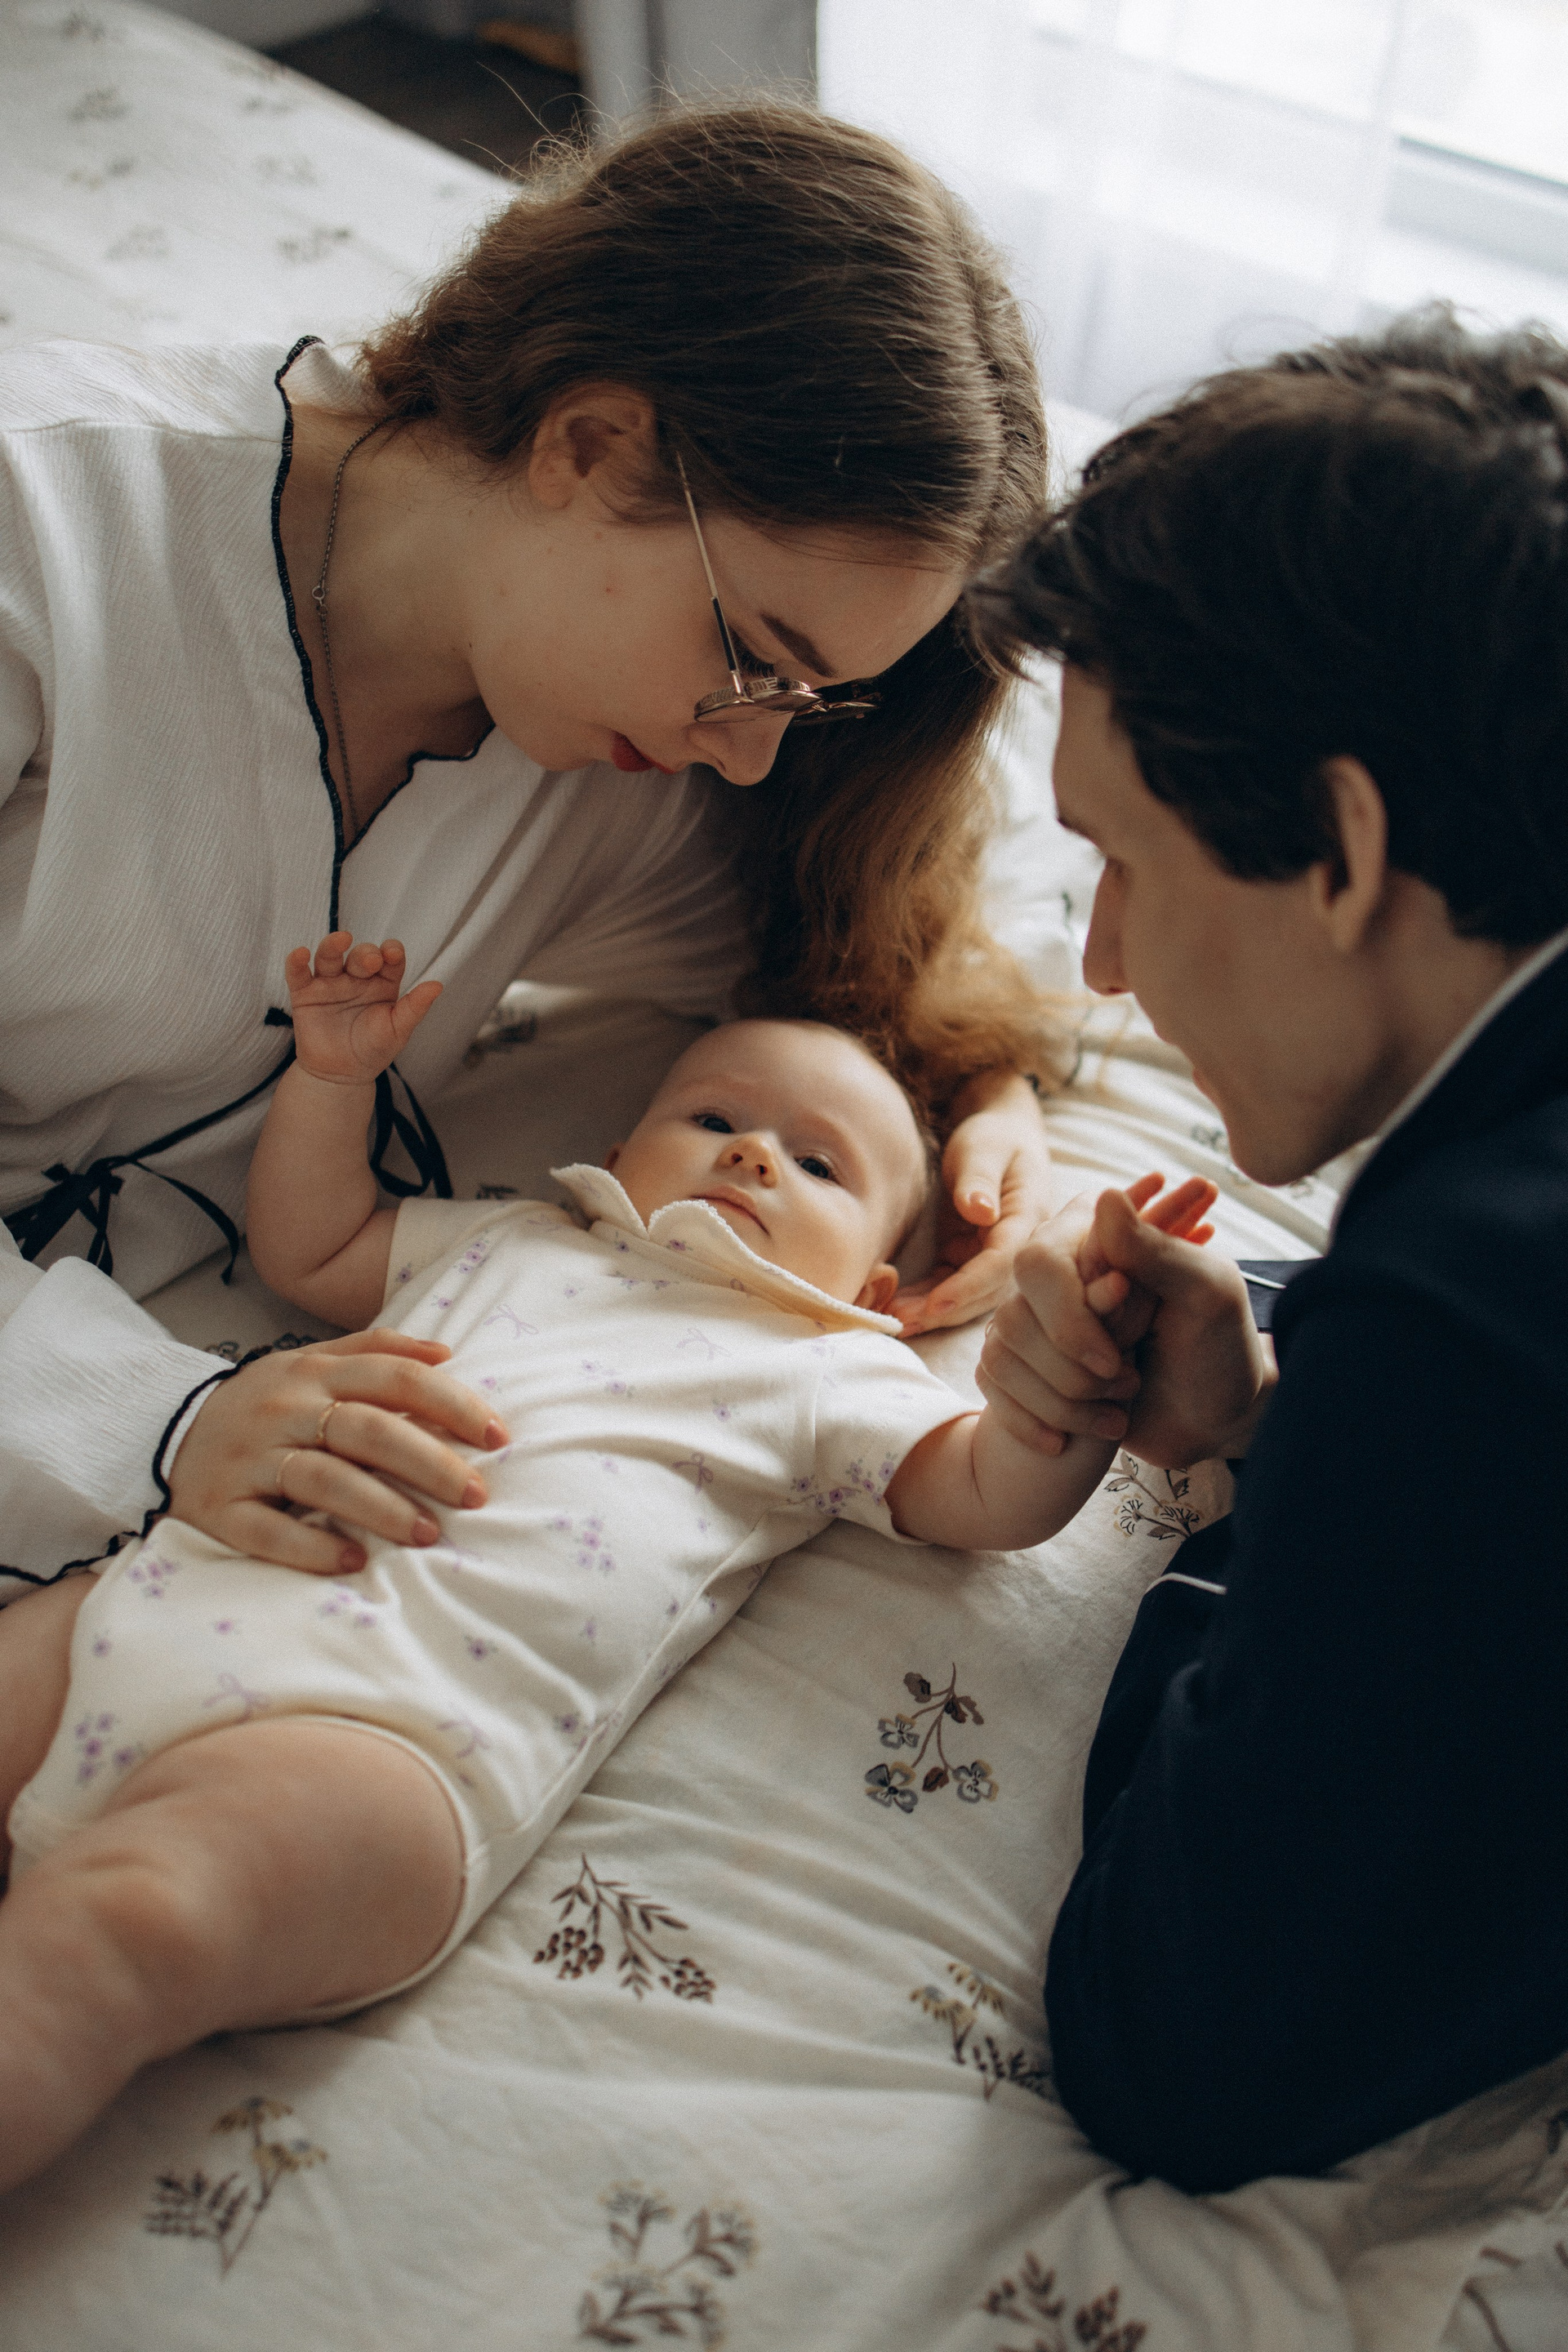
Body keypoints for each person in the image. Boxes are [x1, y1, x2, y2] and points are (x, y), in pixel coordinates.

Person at [0, 100, 1061, 1597]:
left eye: (808, 702)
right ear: (589, 441)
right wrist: (152, 1420)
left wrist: (984, 1087)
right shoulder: (42, 529)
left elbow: (856, 927)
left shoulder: (610, 766)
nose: (751, 750)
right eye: (755, 660)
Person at [0, 930, 1217, 2196]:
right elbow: (310, 1246)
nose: (754, 1155)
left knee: (123, 1928)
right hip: (175, 1589)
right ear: (625, 1148)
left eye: (818, 1165)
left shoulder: (827, 1363)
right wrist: (332, 1080)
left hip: (386, 1740)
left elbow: (982, 1493)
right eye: (715, 1118)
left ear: (878, 1284)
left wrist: (1065, 1391)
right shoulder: (513, 1239)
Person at [972, 306, 1568, 2193]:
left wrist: (1278, 1487)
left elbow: (1176, 2049)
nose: (1100, 964)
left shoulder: (1459, 1318)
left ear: (1337, 842)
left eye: (1123, 862)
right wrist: (1271, 1391)